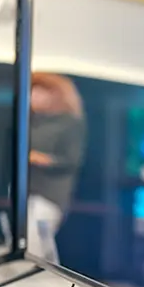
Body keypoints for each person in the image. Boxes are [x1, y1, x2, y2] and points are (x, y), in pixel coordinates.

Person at [27, 72, 86, 258]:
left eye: (38, 92)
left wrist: (41, 159)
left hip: (51, 194)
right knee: (36, 245)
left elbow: (72, 160)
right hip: (27, 193)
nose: (33, 97)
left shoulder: (70, 124)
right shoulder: (29, 123)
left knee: (36, 243)